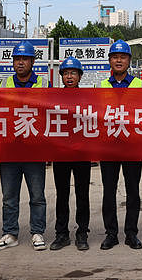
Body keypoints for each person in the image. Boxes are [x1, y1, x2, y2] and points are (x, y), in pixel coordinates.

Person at [0, 42, 48, 252]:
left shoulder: (43, 83)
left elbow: (50, 116)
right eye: (17, 59)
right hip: (10, 150)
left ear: (32, 62)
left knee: (37, 196)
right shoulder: (3, 84)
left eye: (25, 59)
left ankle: (37, 232)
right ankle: (10, 233)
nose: (21, 62)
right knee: (9, 197)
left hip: (34, 150)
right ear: (12, 62)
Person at [98, 39, 142, 250]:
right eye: (115, 57)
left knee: (133, 191)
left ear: (129, 61)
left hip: (132, 147)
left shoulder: (141, 85)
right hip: (109, 147)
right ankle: (111, 233)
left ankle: (131, 233)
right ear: (110, 60)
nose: (119, 60)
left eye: (123, 57)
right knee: (109, 191)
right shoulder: (100, 86)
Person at [49, 57, 94, 251]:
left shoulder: (88, 98)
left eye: (73, 73)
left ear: (80, 76)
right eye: (66, 73)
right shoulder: (53, 97)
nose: (69, 76)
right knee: (62, 194)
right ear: (61, 76)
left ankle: (82, 233)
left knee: (82, 194)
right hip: (61, 154)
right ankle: (62, 234)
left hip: (82, 154)